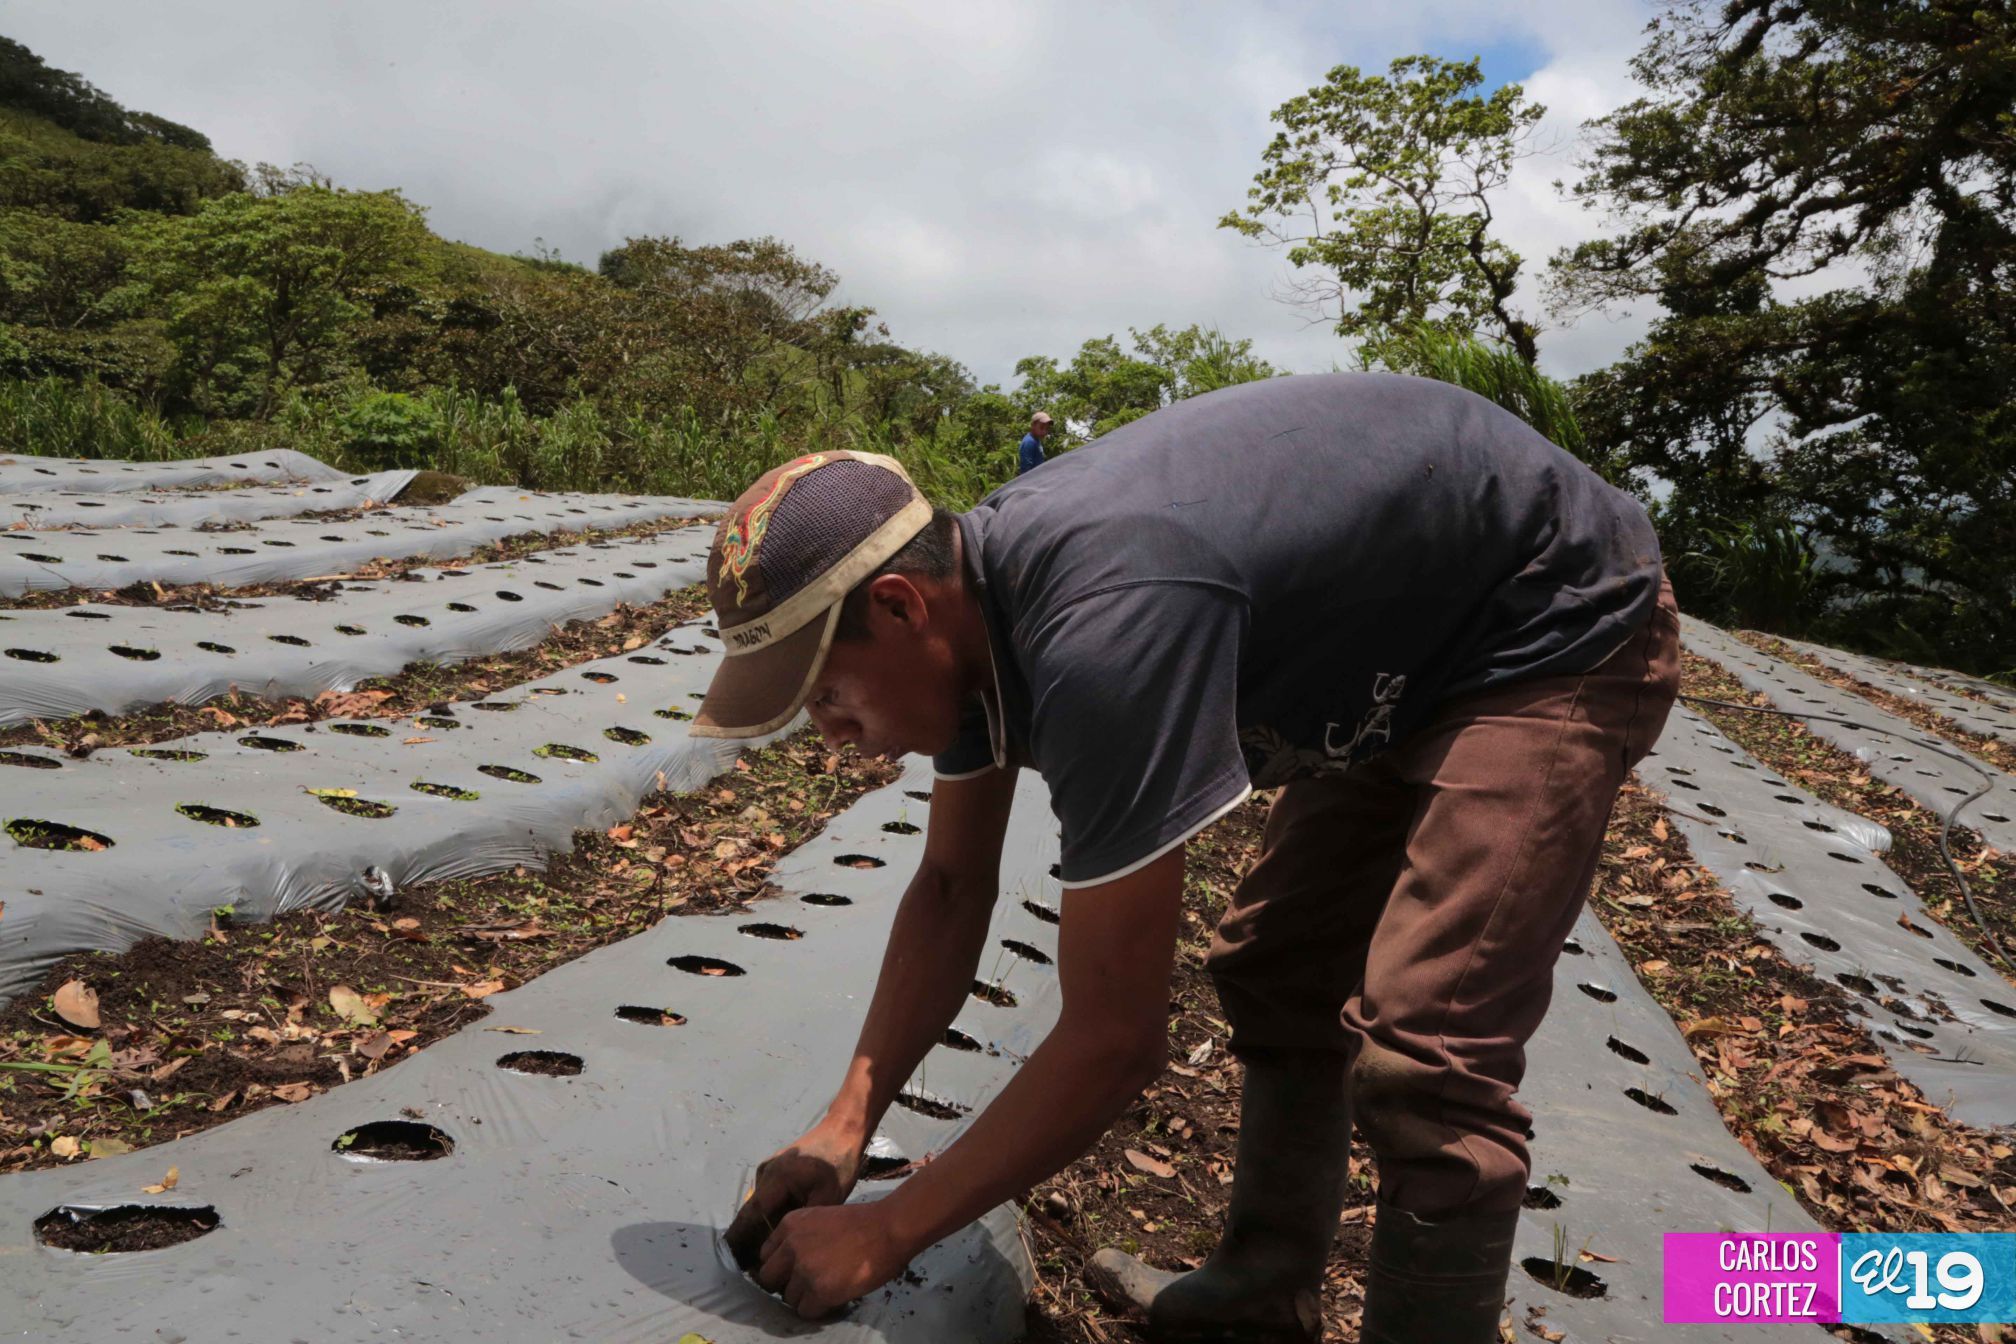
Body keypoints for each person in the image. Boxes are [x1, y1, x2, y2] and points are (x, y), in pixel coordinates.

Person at [695, 372, 1680, 1342]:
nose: (830, 733)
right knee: (1282, 967)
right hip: (1407, 634)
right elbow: (952, 887)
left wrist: (886, 1230)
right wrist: (846, 1125)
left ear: (905, 608)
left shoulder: (1104, 628)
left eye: (828, 694)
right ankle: (1264, 1286)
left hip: (1546, 616)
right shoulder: (968, 617)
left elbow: (1115, 1041)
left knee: (1426, 1051)